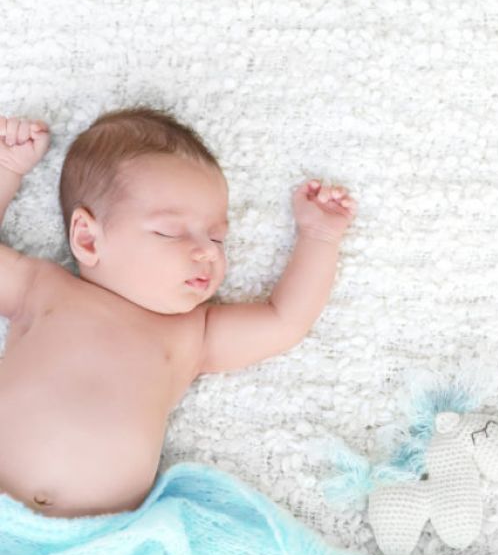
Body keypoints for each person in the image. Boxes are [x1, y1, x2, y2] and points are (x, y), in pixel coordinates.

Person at [0, 106, 357, 518]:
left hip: (98, 546)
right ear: (88, 239)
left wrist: (318, 236)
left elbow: (285, 320)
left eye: (218, 238)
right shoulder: (42, 289)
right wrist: (8, 167)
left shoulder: (192, 333)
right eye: (170, 232)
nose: (206, 250)